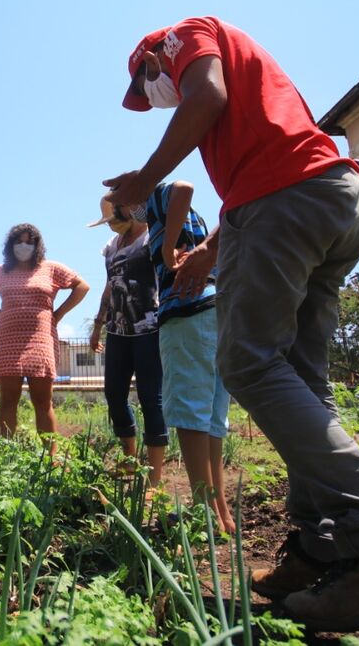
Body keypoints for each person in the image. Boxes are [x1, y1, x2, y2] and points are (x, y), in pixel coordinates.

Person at [103, 17, 359, 631]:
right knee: (300, 374)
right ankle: (322, 543)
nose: (152, 97)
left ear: (150, 59)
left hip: (289, 201)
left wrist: (144, 179)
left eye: (148, 87)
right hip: (333, 198)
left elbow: (209, 100)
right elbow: (264, 173)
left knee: (246, 362)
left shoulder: (184, 36)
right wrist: (212, 250)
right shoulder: (254, 96)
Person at [139, 183, 233, 531]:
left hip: (186, 311)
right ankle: (218, 510)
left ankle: (204, 514)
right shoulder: (196, 226)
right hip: (214, 309)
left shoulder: (155, 198)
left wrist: (164, 248)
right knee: (211, 414)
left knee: (190, 411)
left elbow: (182, 187)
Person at [0, 224, 89, 442]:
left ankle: (50, 457)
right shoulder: (0, 271)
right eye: (19, 241)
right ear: (11, 245)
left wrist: (59, 313)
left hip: (41, 341)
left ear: (37, 245)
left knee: (43, 401)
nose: (24, 246)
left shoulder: (50, 268)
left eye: (29, 241)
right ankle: (6, 452)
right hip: (8, 342)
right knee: (8, 400)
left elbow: (82, 286)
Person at [87, 198, 167, 487]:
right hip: (118, 332)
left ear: (131, 210)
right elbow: (109, 286)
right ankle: (129, 463)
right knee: (114, 395)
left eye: (114, 216)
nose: (111, 222)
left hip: (149, 329)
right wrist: (98, 324)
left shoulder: (151, 237)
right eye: (108, 220)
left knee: (151, 399)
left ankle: (155, 480)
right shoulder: (111, 246)